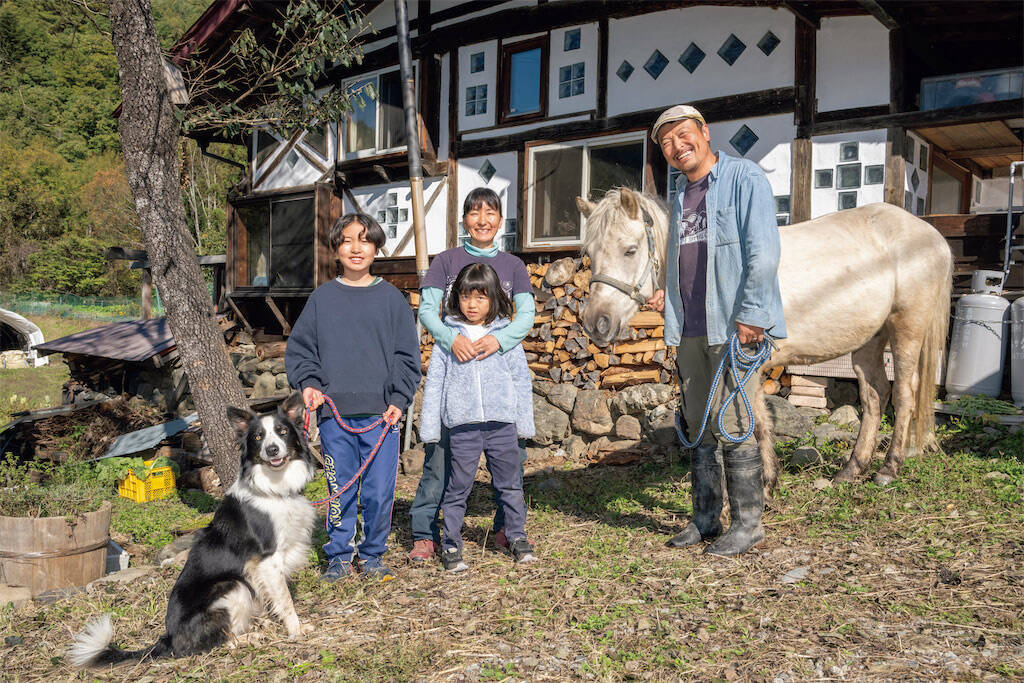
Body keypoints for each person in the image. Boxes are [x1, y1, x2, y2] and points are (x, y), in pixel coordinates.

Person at [646, 105, 786, 556]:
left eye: (684, 135)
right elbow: (685, 266)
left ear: (705, 133)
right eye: (666, 142)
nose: (676, 146)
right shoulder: (681, 196)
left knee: (736, 421)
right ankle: (706, 518)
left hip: (733, 325)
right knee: (700, 423)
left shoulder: (745, 178)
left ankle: (748, 524)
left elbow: (763, 253)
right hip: (689, 328)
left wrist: (751, 314)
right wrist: (665, 300)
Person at [285, 213, 421, 581]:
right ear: (336, 249)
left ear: (377, 247)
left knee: (379, 492)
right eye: (347, 240)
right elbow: (301, 352)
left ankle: (373, 553)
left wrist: (399, 397)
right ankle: (340, 555)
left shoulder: (392, 301)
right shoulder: (321, 300)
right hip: (335, 418)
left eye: (364, 240)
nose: (356, 247)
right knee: (339, 489)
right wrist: (310, 383)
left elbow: (407, 358)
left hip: (382, 417)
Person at [407, 188, 535, 563]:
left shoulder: (513, 266)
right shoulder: (446, 261)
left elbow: (525, 316)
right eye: (474, 212)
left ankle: (505, 530)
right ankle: (425, 534)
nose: (483, 220)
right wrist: (451, 339)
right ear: (464, 219)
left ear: (500, 219)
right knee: (439, 462)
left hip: (497, 382)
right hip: (457, 382)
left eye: (491, 212)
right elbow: (429, 310)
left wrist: (500, 340)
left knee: (511, 464)